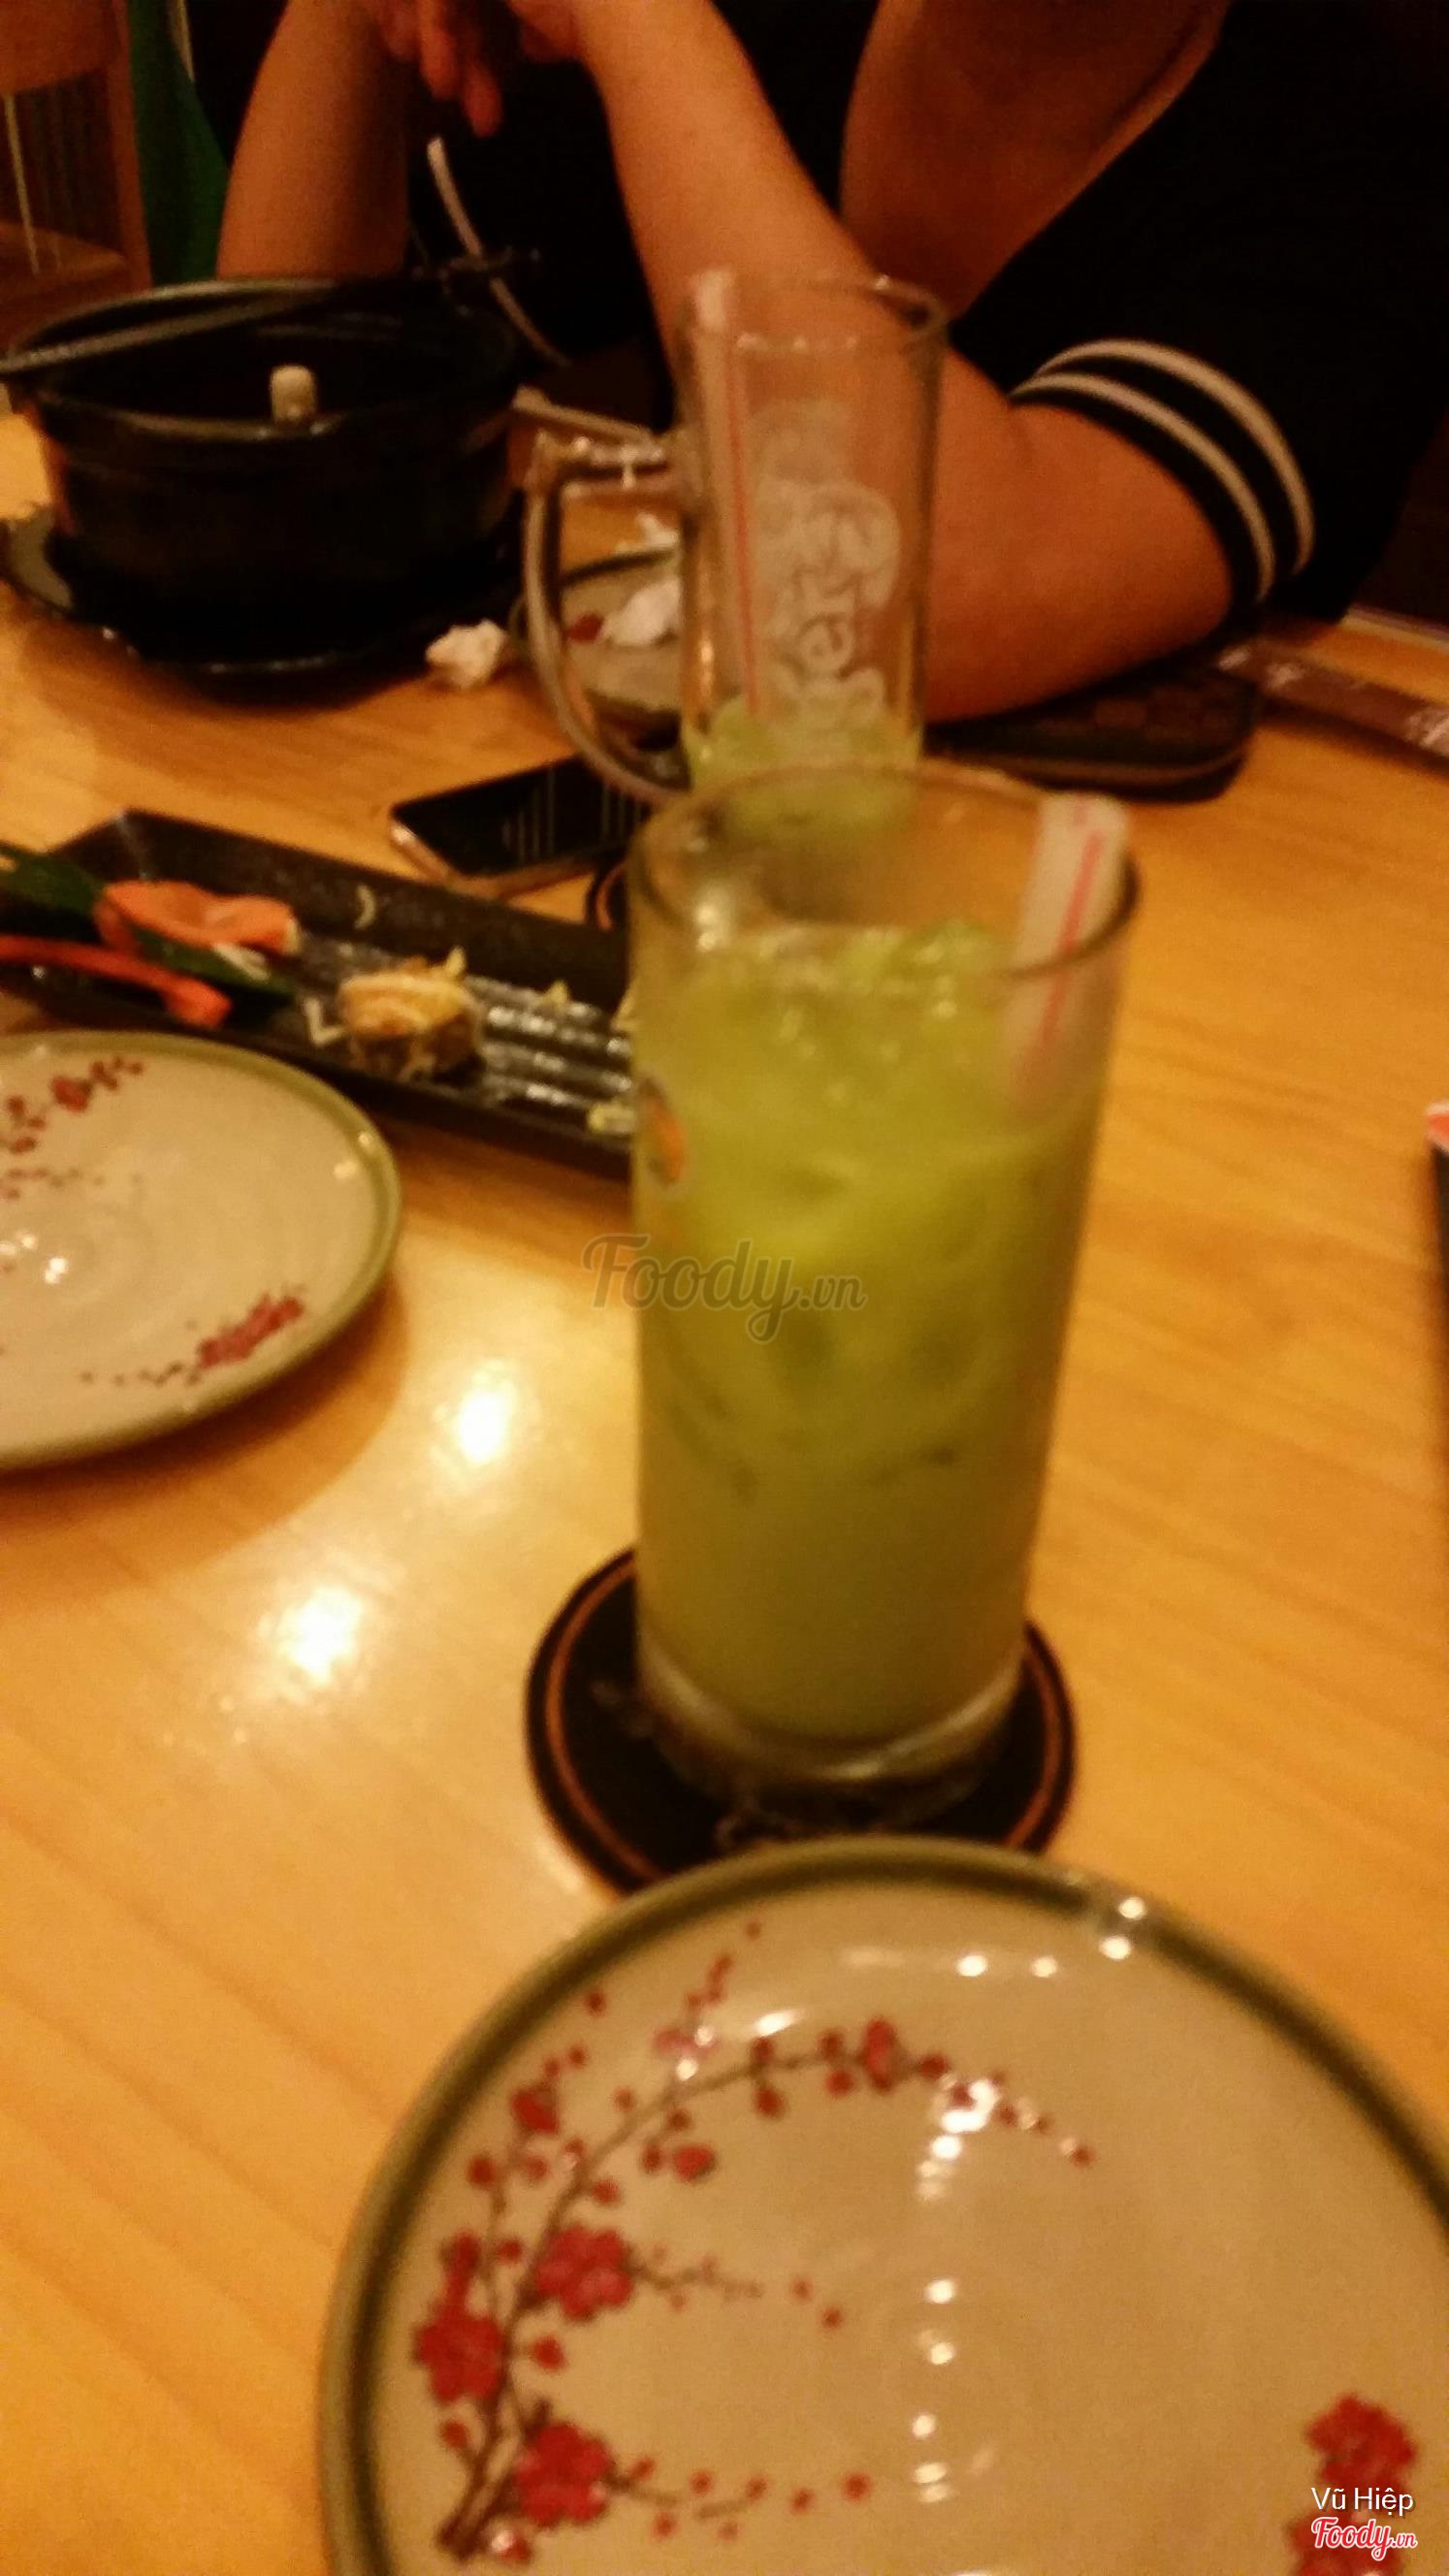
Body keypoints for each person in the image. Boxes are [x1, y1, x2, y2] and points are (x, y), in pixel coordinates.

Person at [219, 0, 1449, 718]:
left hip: (1153, 971)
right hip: (708, 887)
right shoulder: (783, 22)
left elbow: (904, 603)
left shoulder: (1355, 158)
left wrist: (641, 22)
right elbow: (275, 391)